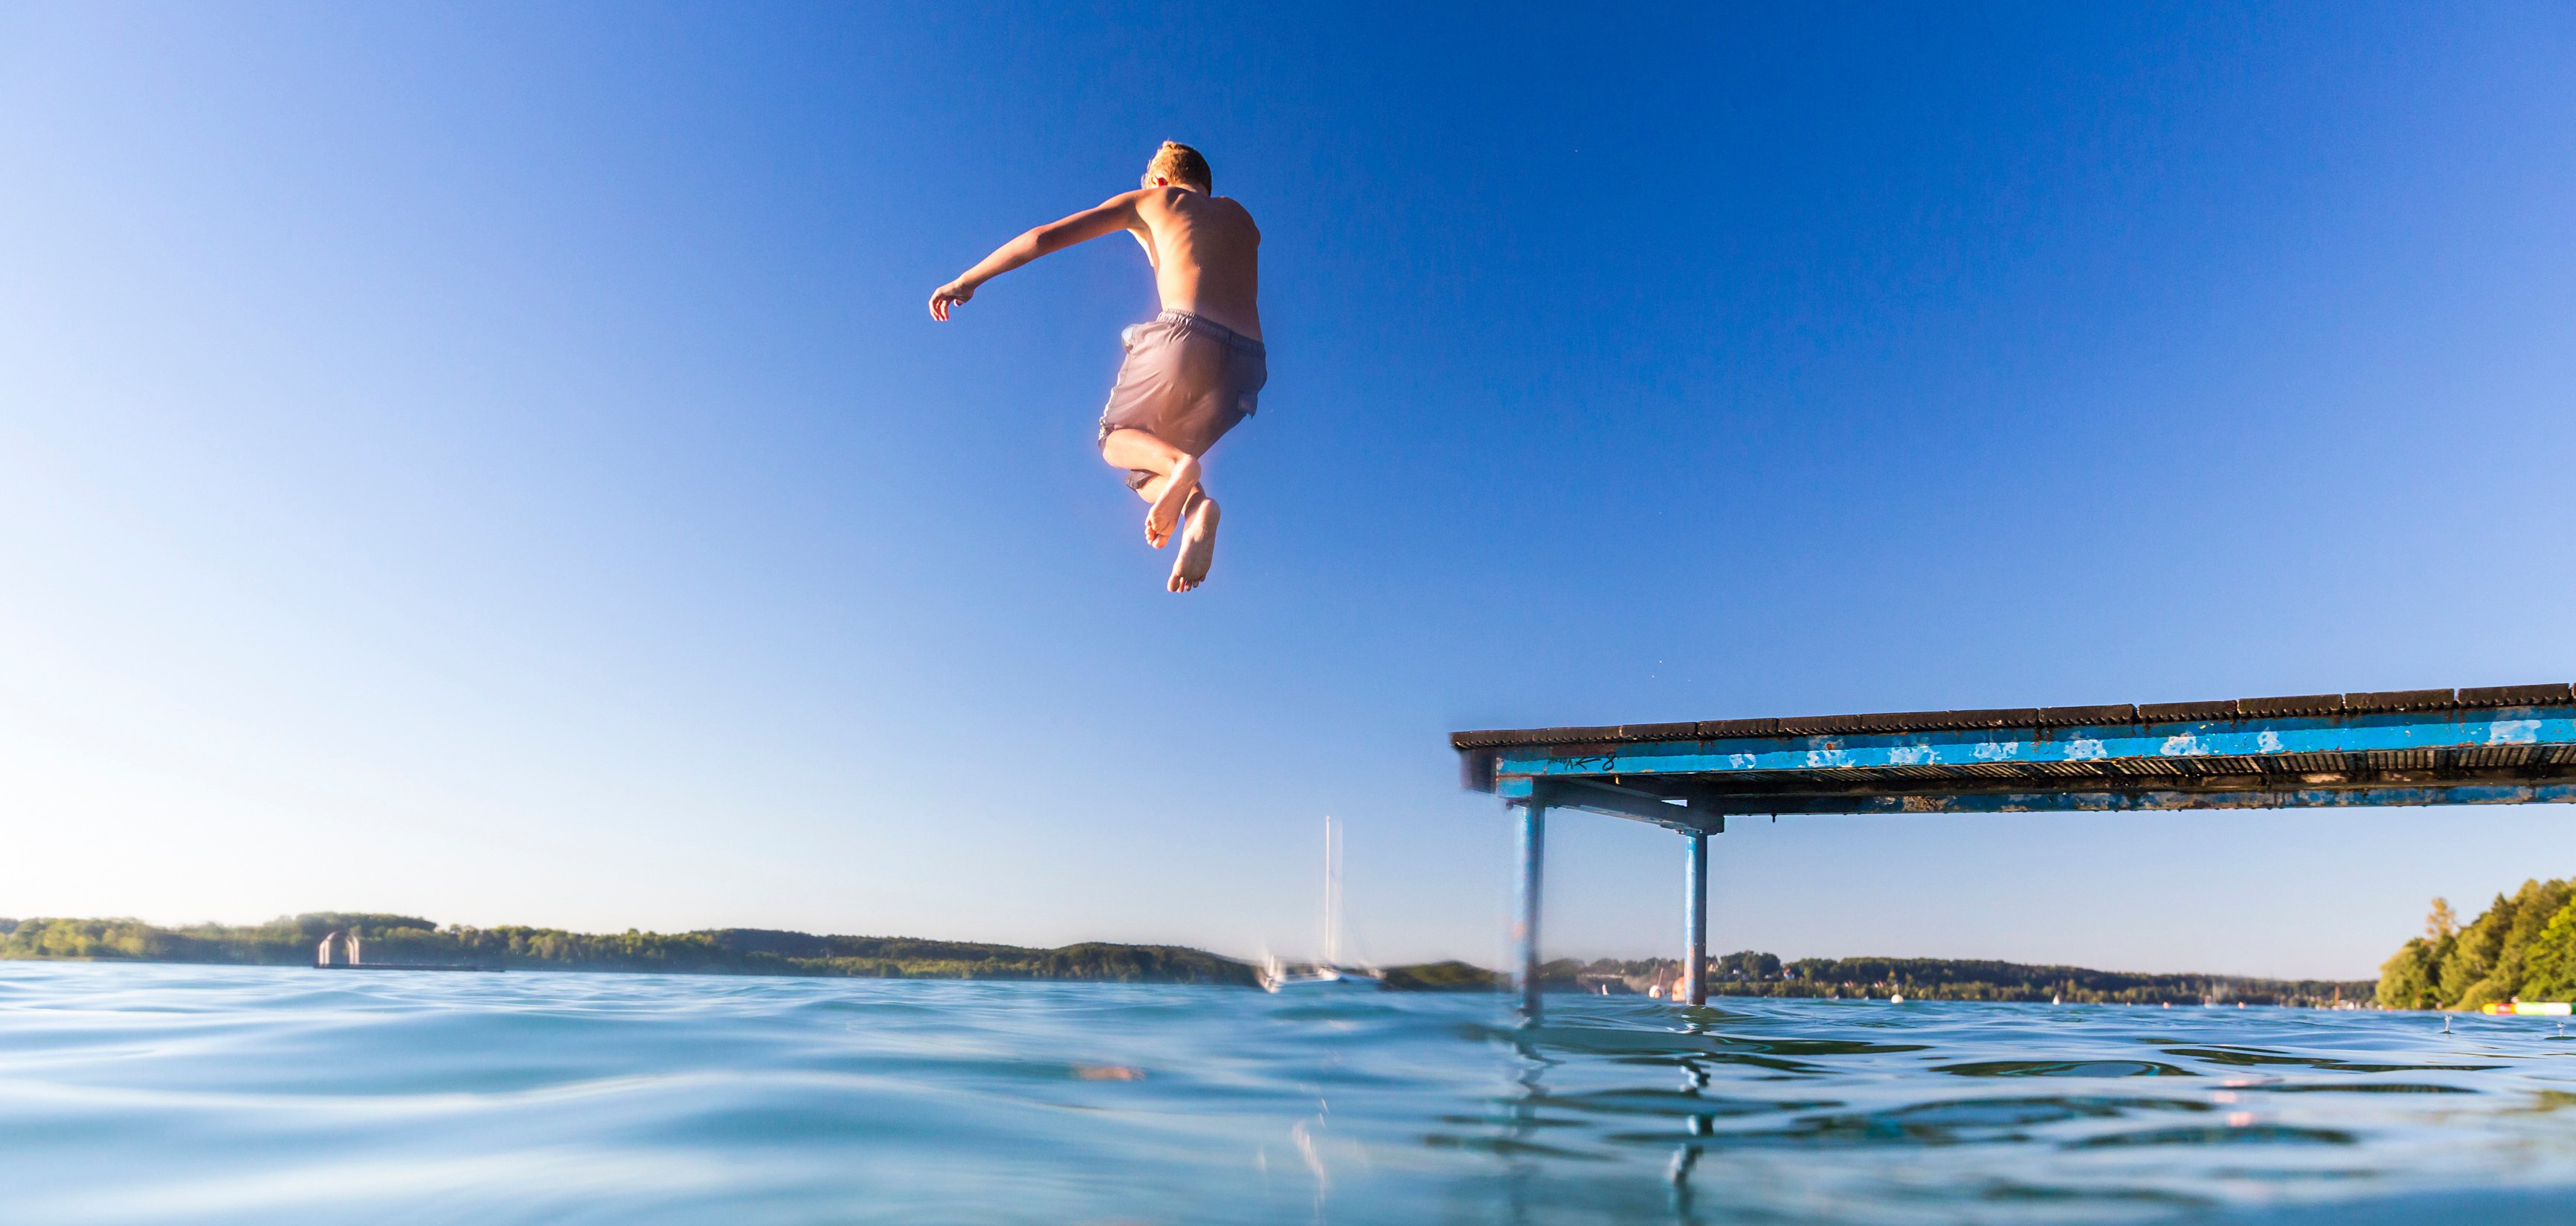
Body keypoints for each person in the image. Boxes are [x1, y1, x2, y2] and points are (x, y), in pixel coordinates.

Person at [929, 141, 1264, 593]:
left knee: (1114, 440)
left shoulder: (1152, 200)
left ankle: (1187, 475)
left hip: (1185, 337)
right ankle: (1196, 511)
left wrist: (966, 281)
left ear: (1160, 182)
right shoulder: (1243, 220)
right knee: (1148, 468)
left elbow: (1040, 238)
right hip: (1245, 367)